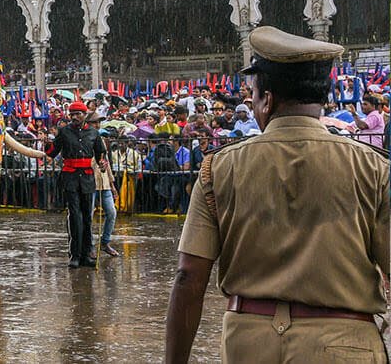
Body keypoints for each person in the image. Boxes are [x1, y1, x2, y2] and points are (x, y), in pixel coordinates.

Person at [165, 26, 389, 363]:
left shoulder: (219, 168)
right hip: (345, 345)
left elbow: (188, 277)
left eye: (252, 95)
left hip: (250, 345)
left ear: (267, 100)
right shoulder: (375, 168)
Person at [45, 100, 105, 268]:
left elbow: (100, 153)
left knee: (87, 216)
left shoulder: (94, 133)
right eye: (72, 114)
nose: (75, 117)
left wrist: (102, 163)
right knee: (74, 216)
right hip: (70, 177)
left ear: (85, 115)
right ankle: (75, 255)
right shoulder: (64, 132)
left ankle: (87, 254)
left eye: (78, 114)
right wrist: (46, 143)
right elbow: (52, 152)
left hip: (87, 178)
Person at [92, 135, 119, 257]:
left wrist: (113, 186)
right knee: (88, 215)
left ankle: (105, 242)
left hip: (105, 185)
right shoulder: (88, 150)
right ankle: (90, 245)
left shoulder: (103, 152)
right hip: (91, 185)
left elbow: (108, 169)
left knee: (112, 212)